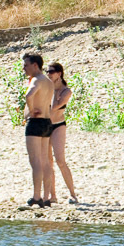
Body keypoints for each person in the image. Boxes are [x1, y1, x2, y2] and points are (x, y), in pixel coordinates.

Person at [22, 53, 56, 207]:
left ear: (35, 65)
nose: (24, 68)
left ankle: (36, 197)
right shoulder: (48, 81)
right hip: (47, 122)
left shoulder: (36, 80)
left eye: (26, 65)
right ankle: (47, 197)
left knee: (35, 161)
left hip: (35, 122)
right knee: (45, 161)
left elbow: (28, 95)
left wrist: (31, 109)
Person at [46, 62, 80, 205]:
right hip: (45, 125)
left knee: (60, 160)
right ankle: (52, 195)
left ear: (59, 74)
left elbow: (54, 107)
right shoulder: (46, 87)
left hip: (58, 125)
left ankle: (73, 194)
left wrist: (53, 89)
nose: (48, 74)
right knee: (48, 162)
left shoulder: (66, 91)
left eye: (51, 71)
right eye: (47, 71)